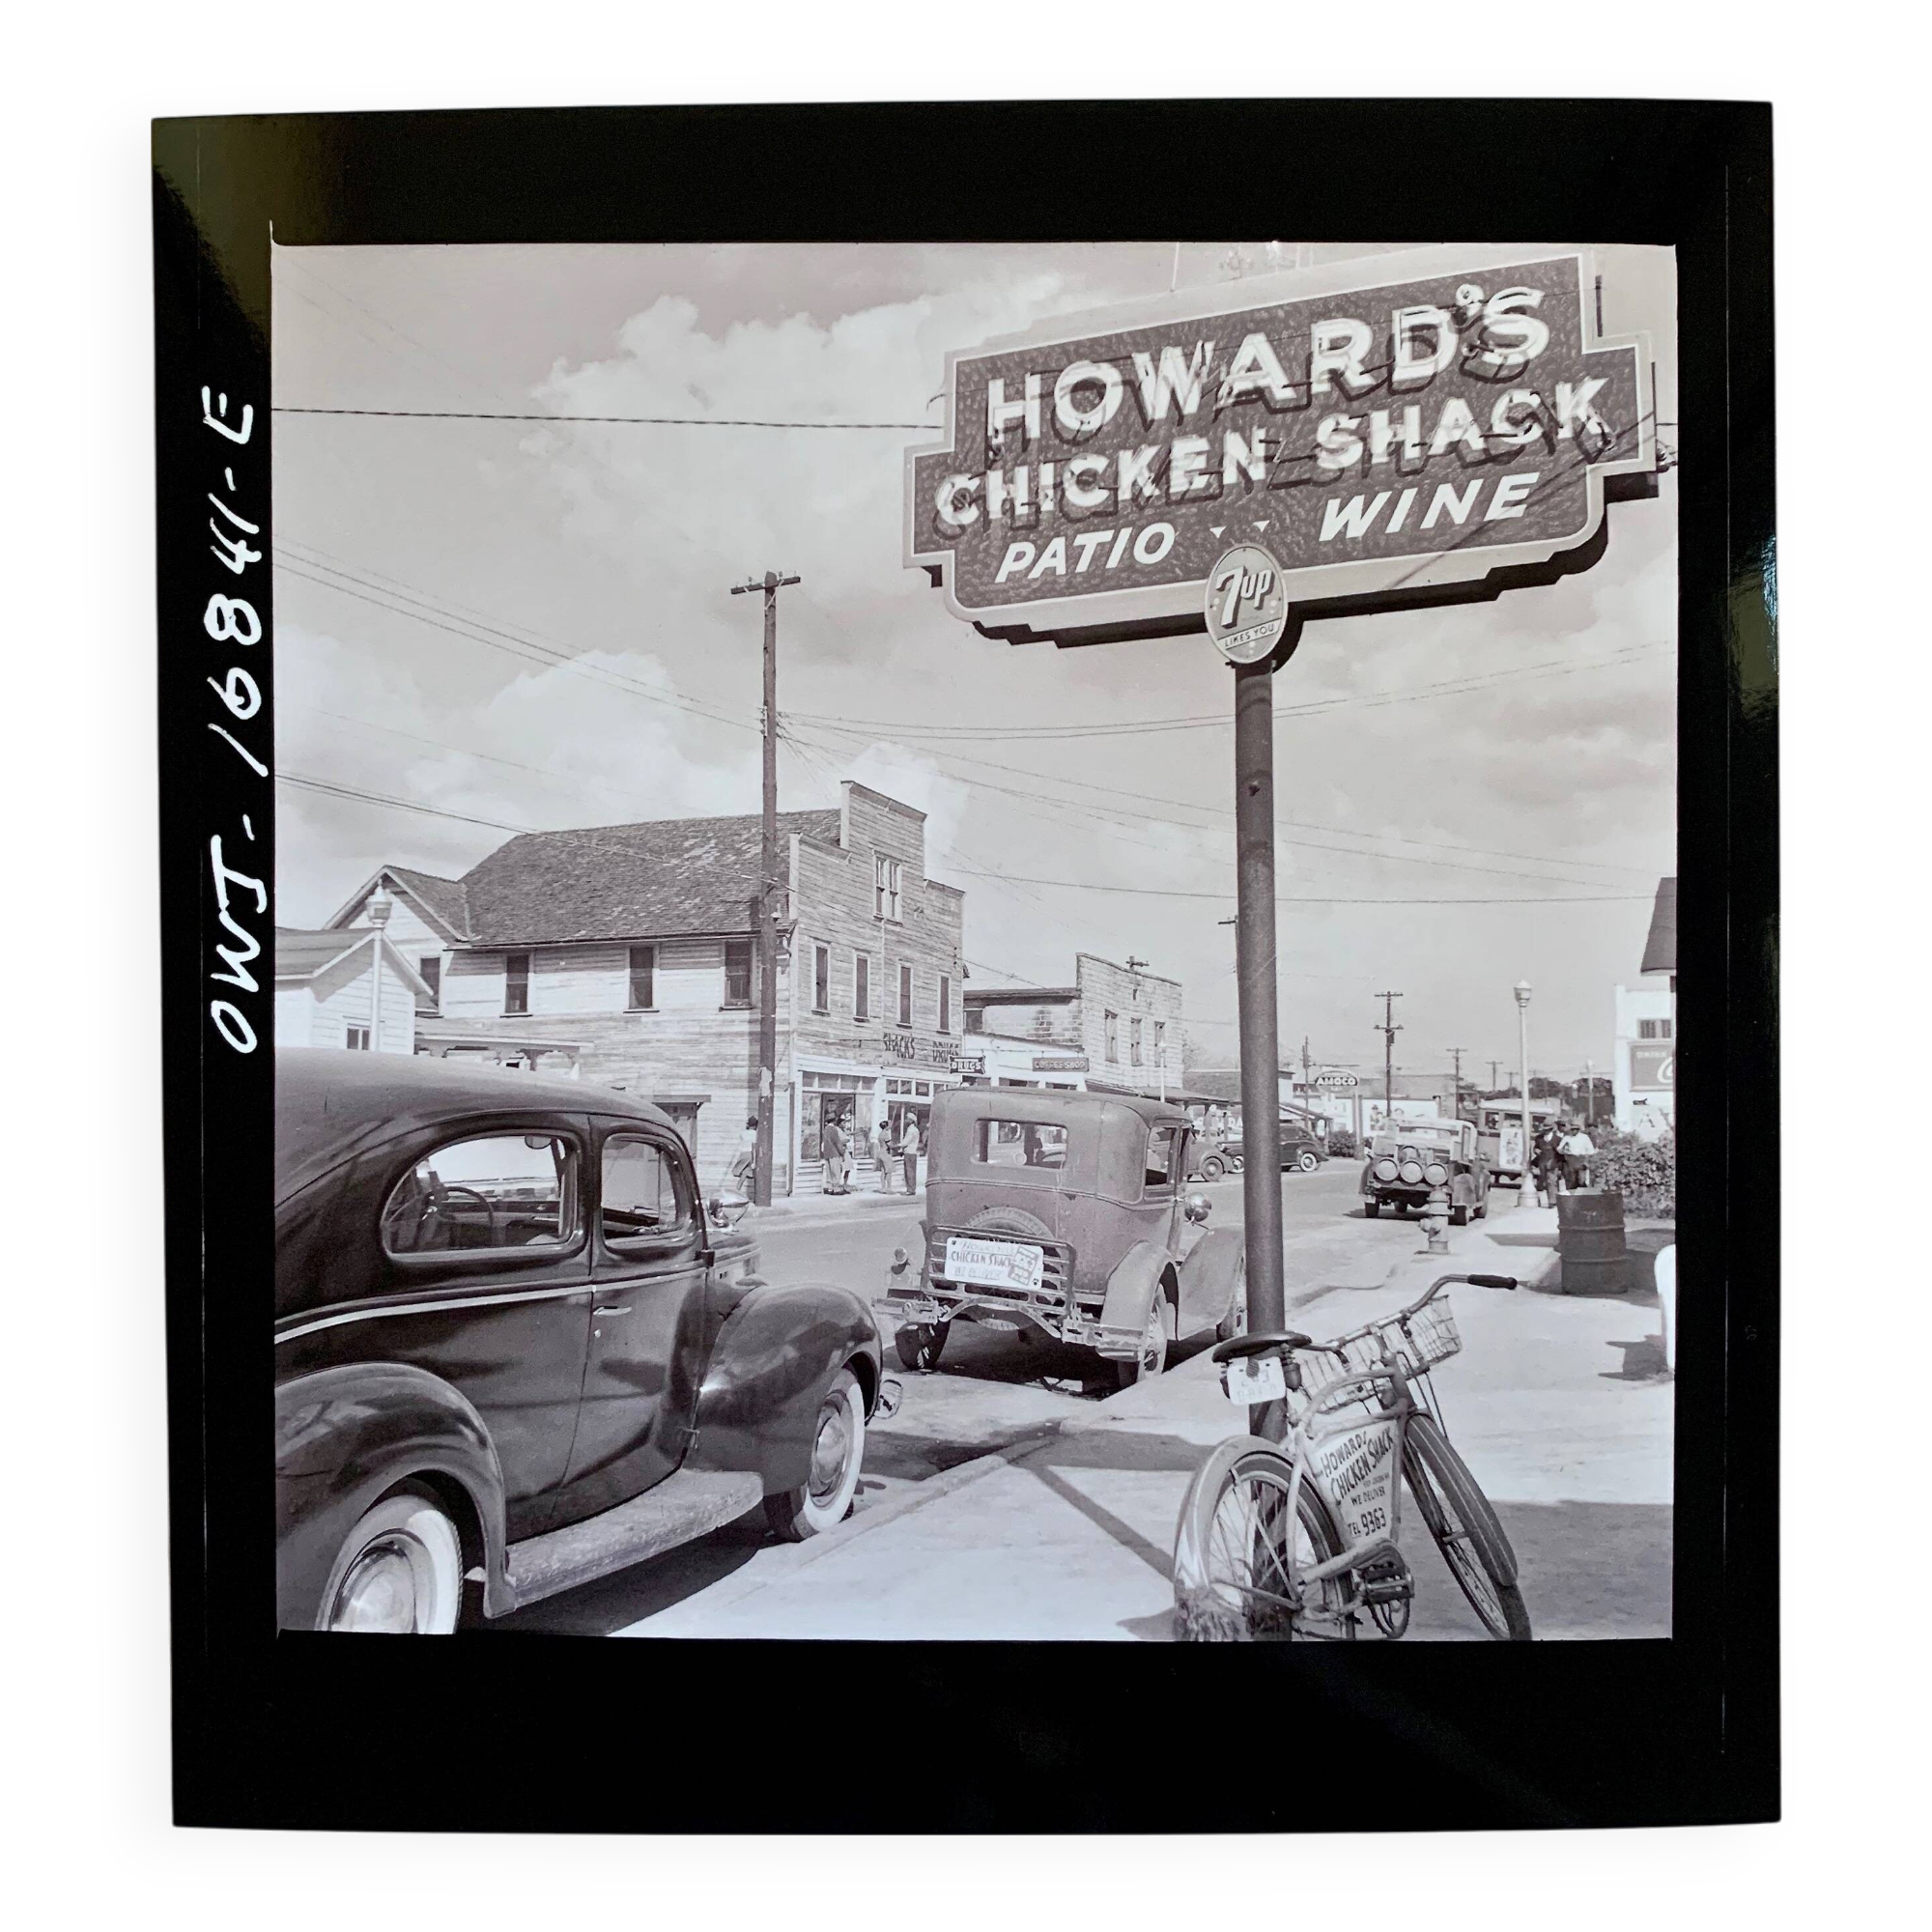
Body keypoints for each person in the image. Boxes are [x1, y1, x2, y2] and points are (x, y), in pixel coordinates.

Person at [1559, 1123, 1596, 1192]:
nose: (1574, 1131)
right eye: (1572, 1129)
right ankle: (1572, 1196)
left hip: (1581, 1159)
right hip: (1571, 1160)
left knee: (1582, 1180)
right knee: (1572, 1180)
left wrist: (1586, 1158)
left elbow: (1591, 1150)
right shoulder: (1567, 1138)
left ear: (1579, 1130)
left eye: (1576, 1129)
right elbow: (1559, 1149)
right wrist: (1565, 1152)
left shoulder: (1584, 1137)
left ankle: (1582, 1195)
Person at [727, 1116, 758, 1196]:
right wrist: (754, 1161)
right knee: (755, 1175)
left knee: (744, 1175)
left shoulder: (743, 1133)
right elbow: (753, 1147)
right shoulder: (755, 1134)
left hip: (743, 1154)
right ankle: (757, 1194)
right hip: (750, 1154)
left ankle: (736, 1191)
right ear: (755, 1126)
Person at [821, 1114, 848, 1195]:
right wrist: (842, 1152)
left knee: (829, 1172)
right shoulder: (833, 1129)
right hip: (834, 1153)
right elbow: (837, 1143)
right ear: (834, 1120)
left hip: (827, 1153)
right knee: (836, 1171)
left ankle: (830, 1188)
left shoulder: (825, 1129)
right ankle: (836, 1188)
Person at [899, 1113, 922, 1196]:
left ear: (911, 1121)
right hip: (911, 1152)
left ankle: (910, 1189)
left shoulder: (911, 1130)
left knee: (909, 1172)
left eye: (907, 1119)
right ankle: (911, 1188)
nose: (905, 1121)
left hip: (909, 1153)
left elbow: (906, 1142)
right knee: (911, 1171)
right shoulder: (913, 1129)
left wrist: (897, 1145)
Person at [875, 1117, 895, 1192]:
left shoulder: (880, 1134)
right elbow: (889, 1144)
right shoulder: (886, 1134)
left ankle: (883, 1187)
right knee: (888, 1171)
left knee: (883, 1171)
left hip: (881, 1152)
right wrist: (895, 1147)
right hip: (885, 1153)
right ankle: (889, 1187)